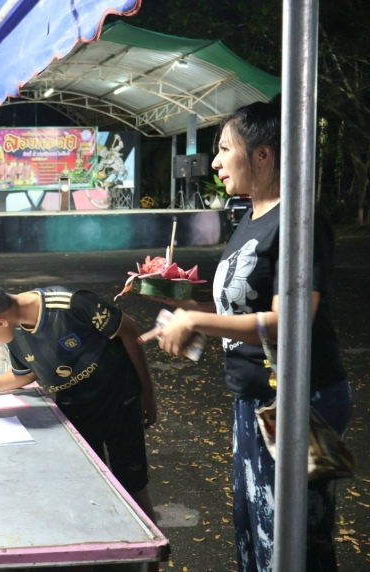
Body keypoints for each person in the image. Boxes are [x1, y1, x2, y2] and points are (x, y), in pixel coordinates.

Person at [151, 101, 351, 571]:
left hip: (299, 401)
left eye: (224, 149)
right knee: (254, 531)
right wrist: (183, 311)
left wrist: (196, 323)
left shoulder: (299, 220)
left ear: (262, 155)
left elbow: (291, 321)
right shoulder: (249, 216)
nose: (214, 163)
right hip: (254, 400)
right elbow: (239, 310)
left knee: (292, 542)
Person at [0, 278, 160, 543]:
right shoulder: (14, 330)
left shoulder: (71, 304)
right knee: (92, 489)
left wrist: (147, 393)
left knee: (134, 487)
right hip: (75, 412)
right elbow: (25, 375)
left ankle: (153, 552)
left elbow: (130, 331)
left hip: (120, 403)